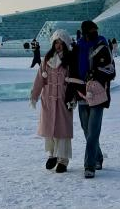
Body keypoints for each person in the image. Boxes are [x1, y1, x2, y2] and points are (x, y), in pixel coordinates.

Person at [72, 20, 114, 178]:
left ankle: (89, 165)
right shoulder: (77, 48)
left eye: (94, 30)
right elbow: (72, 70)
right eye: (90, 30)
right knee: (86, 129)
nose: (93, 32)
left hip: (98, 94)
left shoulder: (102, 46)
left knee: (94, 130)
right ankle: (98, 156)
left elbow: (111, 70)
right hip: (82, 93)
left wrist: (95, 74)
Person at [30, 29, 75, 174]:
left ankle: (63, 160)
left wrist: (73, 97)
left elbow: (73, 81)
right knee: (50, 128)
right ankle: (52, 154)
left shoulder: (70, 60)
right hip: (48, 98)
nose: (58, 46)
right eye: (56, 42)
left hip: (63, 98)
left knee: (62, 130)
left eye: (61, 43)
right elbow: (40, 79)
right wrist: (34, 95)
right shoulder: (47, 59)